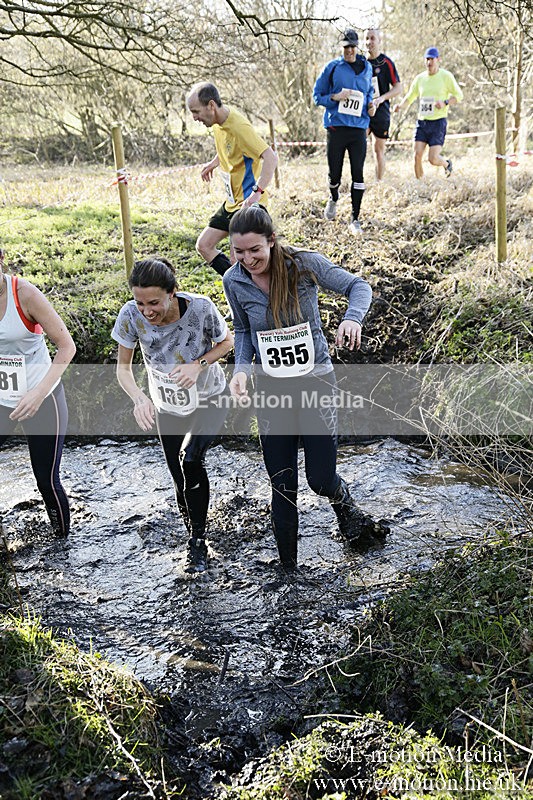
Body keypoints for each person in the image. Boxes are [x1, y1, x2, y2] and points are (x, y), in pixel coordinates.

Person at [222, 205, 389, 571]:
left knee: (320, 479)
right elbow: (244, 330)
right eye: (239, 252)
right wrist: (240, 370)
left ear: (271, 241)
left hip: (315, 385)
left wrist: (352, 319)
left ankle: (343, 501)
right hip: (270, 392)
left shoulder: (303, 265)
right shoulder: (233, 280)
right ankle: (288, 572)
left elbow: (358, 286)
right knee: (282, 485)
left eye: (255, 250)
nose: (248, 259)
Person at [111, 257, 234, 572]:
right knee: (179, 479)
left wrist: (198, 365)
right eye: (140, 302)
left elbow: (227, 342)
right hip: (169, 405)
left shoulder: (201, 309)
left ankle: (197, 543)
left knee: (191, 458)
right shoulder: (130, 316)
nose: (147, 310)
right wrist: (139, 398)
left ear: (172, 292)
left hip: (211, 396)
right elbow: (123, 370)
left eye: (154, 302)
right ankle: (194, 530)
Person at [0, 250, 76, 537]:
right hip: (2, 398)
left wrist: (38, 393)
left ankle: (61, 545)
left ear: (1, 258)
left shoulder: (25, 295)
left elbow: (67, 346)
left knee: (46, 479)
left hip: (43, 398)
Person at [186, 82, 278, 276]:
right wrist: (214, 162)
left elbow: (271, 157)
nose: (194, 118)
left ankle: (253, 293)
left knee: (242, 259)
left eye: (196, 111)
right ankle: (239, 286)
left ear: (211, 105)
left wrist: (257, 193)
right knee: (204, 245)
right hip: (231, 203)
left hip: (248, 204)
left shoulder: (239, 127)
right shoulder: (218, 123)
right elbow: (232, 148)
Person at [313, 28, 375, 235]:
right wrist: (334, 97)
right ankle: (334, 197)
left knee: (358, 173)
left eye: (352, 46)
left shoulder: (367, 68)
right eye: (345, 46)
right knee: (335, 174)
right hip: (336, 127)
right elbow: (316, 96)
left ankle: (355, 218)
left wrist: (370, 105)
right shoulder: (332, 67)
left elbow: (369, 93)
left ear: (357, 47)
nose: (349, 50)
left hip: (358, 128)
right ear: (342, 47)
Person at [393, 47, 463, 179]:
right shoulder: (420, 78)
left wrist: (445, 102)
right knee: (417, 155)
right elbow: (410, 96)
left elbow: (459, 96)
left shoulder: (446, 76)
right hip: (422, 122)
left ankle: (446, 164)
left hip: (438, 122)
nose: (429, 62)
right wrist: (400, 106)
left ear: (438, 60)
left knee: (433, 158)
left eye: (432, 59)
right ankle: (421, 184)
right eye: (427, 59)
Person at [365, 28, 402, 180]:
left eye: (373, 38)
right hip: (364, 111)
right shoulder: (362, 63)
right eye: (367, 38)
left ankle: (379, 182)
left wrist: (382, 98)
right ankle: (358, 181)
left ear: (379, 41)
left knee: (378, 149)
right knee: (358, 146)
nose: (369, 42)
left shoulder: (386, 63)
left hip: (381, 112)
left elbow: (398, 88)